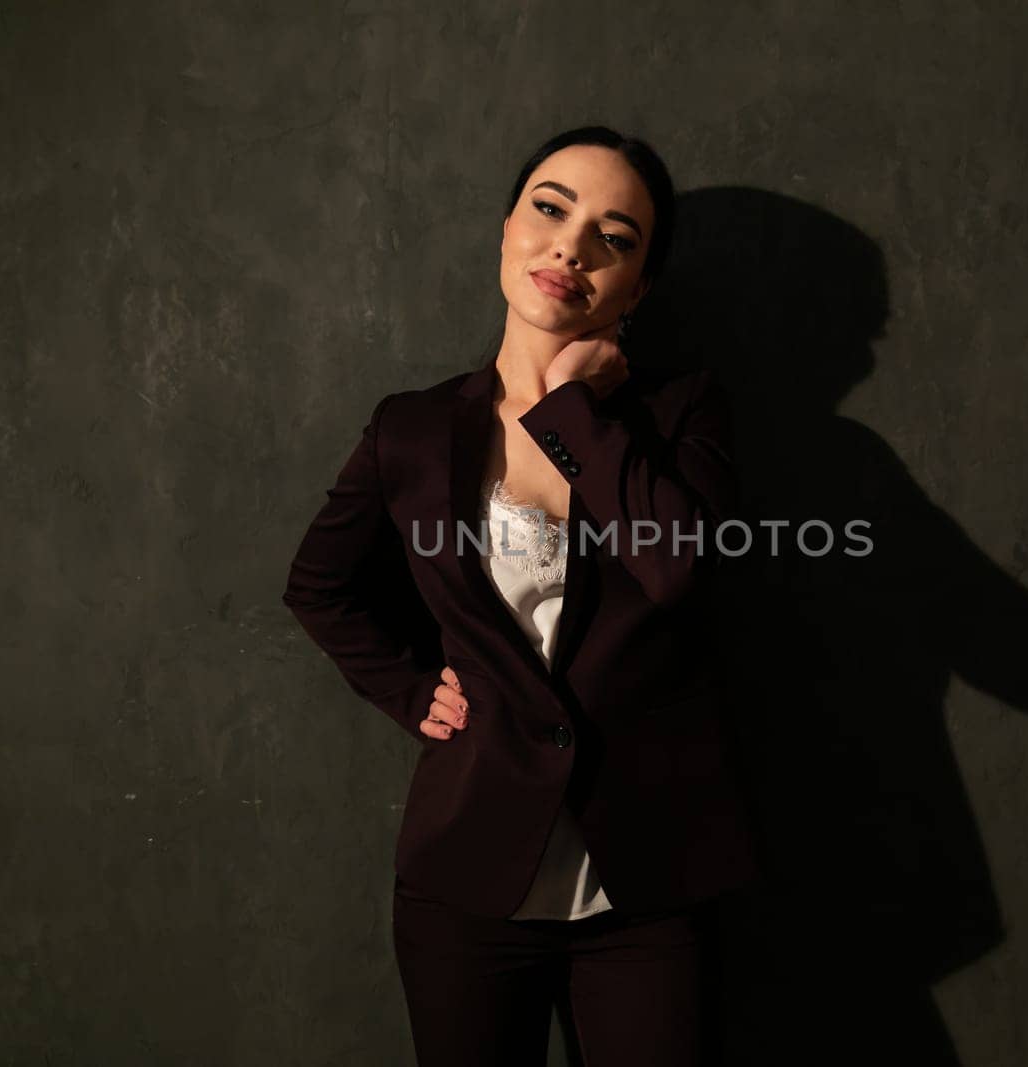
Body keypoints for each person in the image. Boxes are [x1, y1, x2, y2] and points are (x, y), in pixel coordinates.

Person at [282, 125, 761, 1065]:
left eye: (613, 237)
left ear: (639, 285)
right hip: (466, 882)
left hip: (647, 884)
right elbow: (319, 586)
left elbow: (676, 567)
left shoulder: (681, 413)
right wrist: (412, 690)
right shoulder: (411, 430)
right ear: (506, 227)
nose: (570, 247)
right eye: (550, 209)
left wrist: (570, 410)